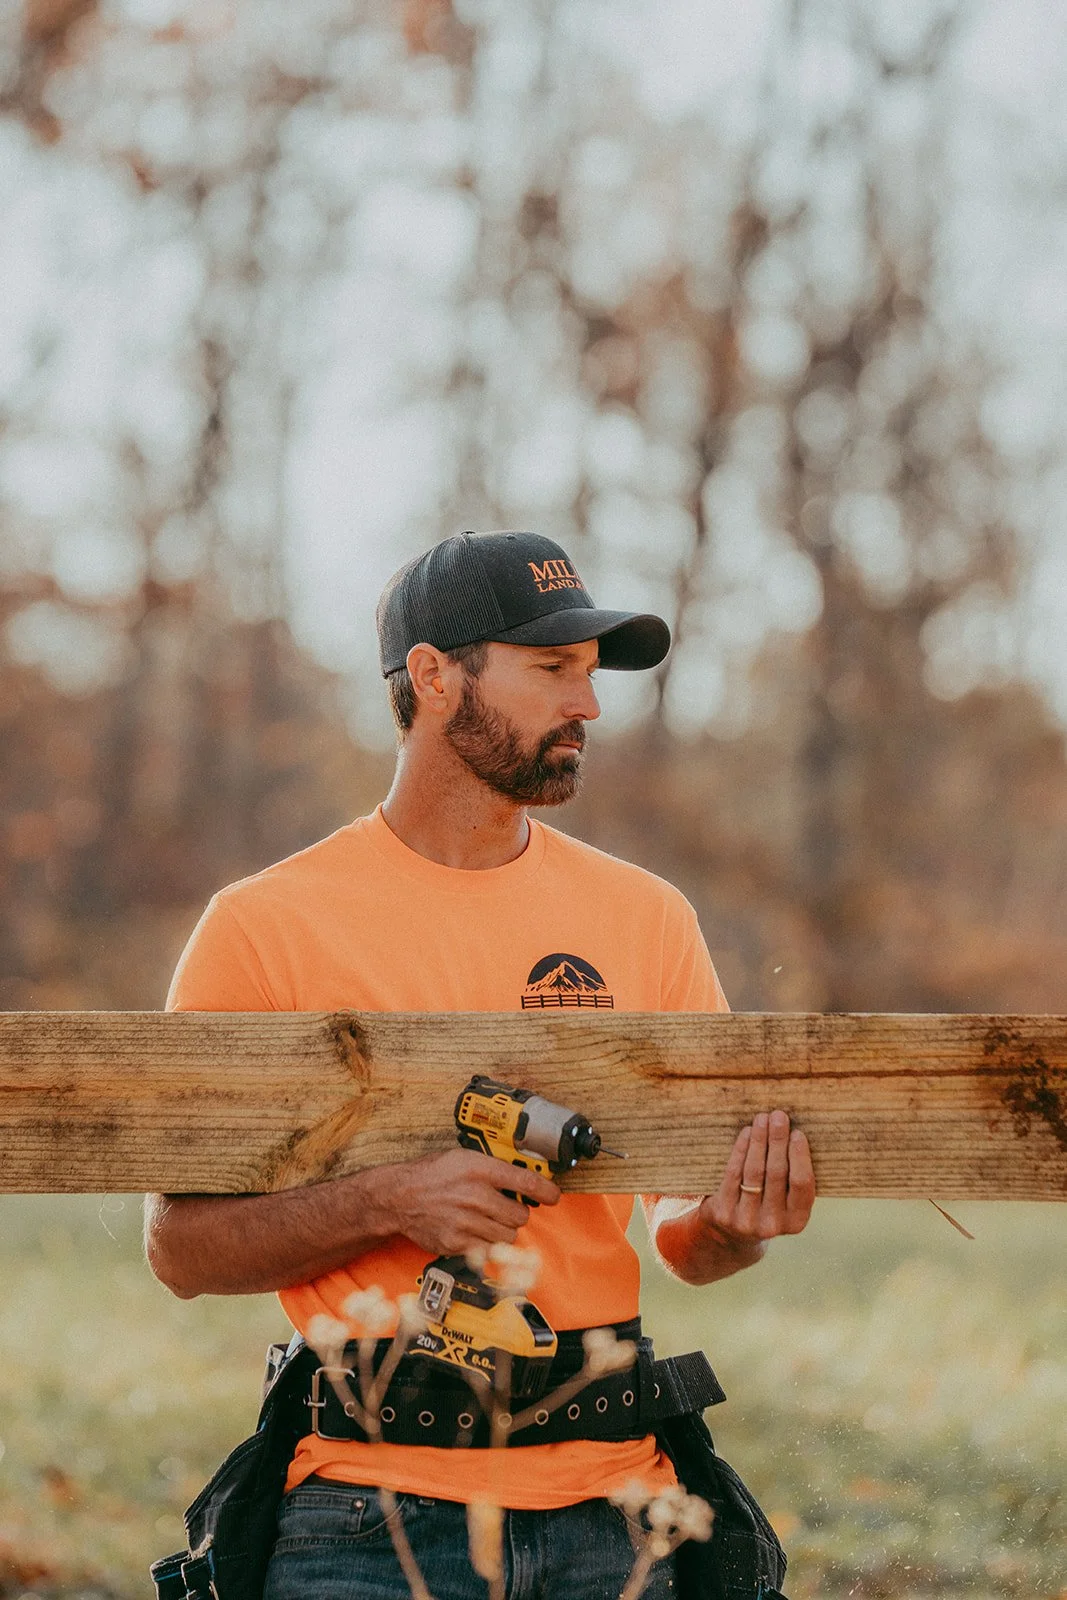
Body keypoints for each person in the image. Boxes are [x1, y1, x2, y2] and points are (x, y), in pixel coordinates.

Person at [146, 530, 815, 1600]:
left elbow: (683, 1237)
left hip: (616, 1510)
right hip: (360, 1512)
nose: (587, 706)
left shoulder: (643, 916)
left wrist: (733, 1226)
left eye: (590, 678)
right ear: (432, 675)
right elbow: (181, 1249)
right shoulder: (263, 927)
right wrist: (392, 1200)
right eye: (552, 671)